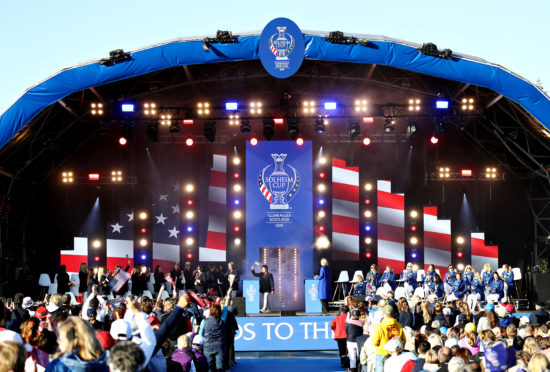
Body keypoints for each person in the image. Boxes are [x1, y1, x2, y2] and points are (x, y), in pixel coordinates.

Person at [372, 305, 406, 372]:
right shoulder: (398, 325)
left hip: (381, 352)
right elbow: (403, 340)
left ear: (383, 313)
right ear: (393, 314)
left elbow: (374, 342)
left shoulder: (380, 326)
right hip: (394, 353)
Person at [202, 303, 225, 372]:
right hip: (219, 346)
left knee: (208, 367)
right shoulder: (221, 321)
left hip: (208, 346)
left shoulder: (204, 321)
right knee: (220, 366)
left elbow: (202, 333)